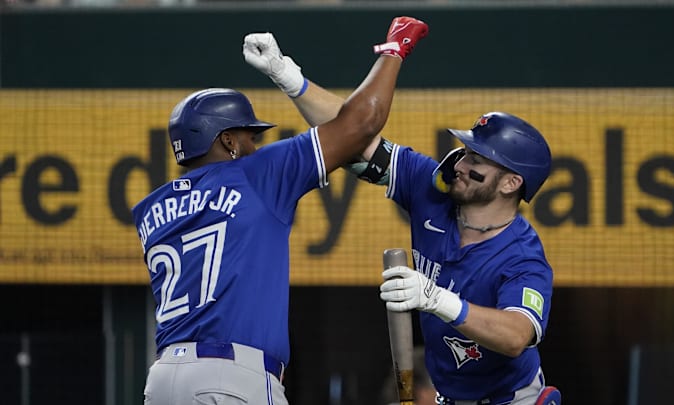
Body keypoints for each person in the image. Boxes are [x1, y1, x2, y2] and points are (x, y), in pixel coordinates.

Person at [245, 33, 562, 405]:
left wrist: (438, 300)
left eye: (477, 160)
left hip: (513, 399)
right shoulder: (431, 190)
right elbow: (353, 134)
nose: (460, 164)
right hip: (448, 397)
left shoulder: (522, 256)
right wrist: (287, 75)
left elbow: (516, 337)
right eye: (465, 152)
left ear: (511, 182)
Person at [131, 17, 428, 405]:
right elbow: (362, 122)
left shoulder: (150, 208)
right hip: (229, 377)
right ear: (227, 141)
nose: (255, 145)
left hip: (163, 380)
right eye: (248, 136)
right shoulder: (255, 173)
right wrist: (393, 52)